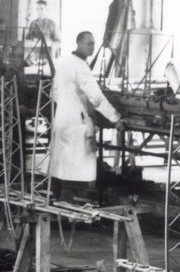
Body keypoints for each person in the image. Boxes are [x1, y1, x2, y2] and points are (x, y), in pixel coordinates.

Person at [49, 31, 125, 200]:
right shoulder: (80, 66)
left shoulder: (63, 63)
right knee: (73, 170)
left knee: (61, 166)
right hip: (75, 122)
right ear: (79, 43)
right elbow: (96, 97)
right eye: (89, 43)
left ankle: (57, 206)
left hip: (61, 119)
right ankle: (65, 212)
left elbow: (53, 92)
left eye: (93, 43)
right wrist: (115, 118)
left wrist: (68, 103)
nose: (93, 47)